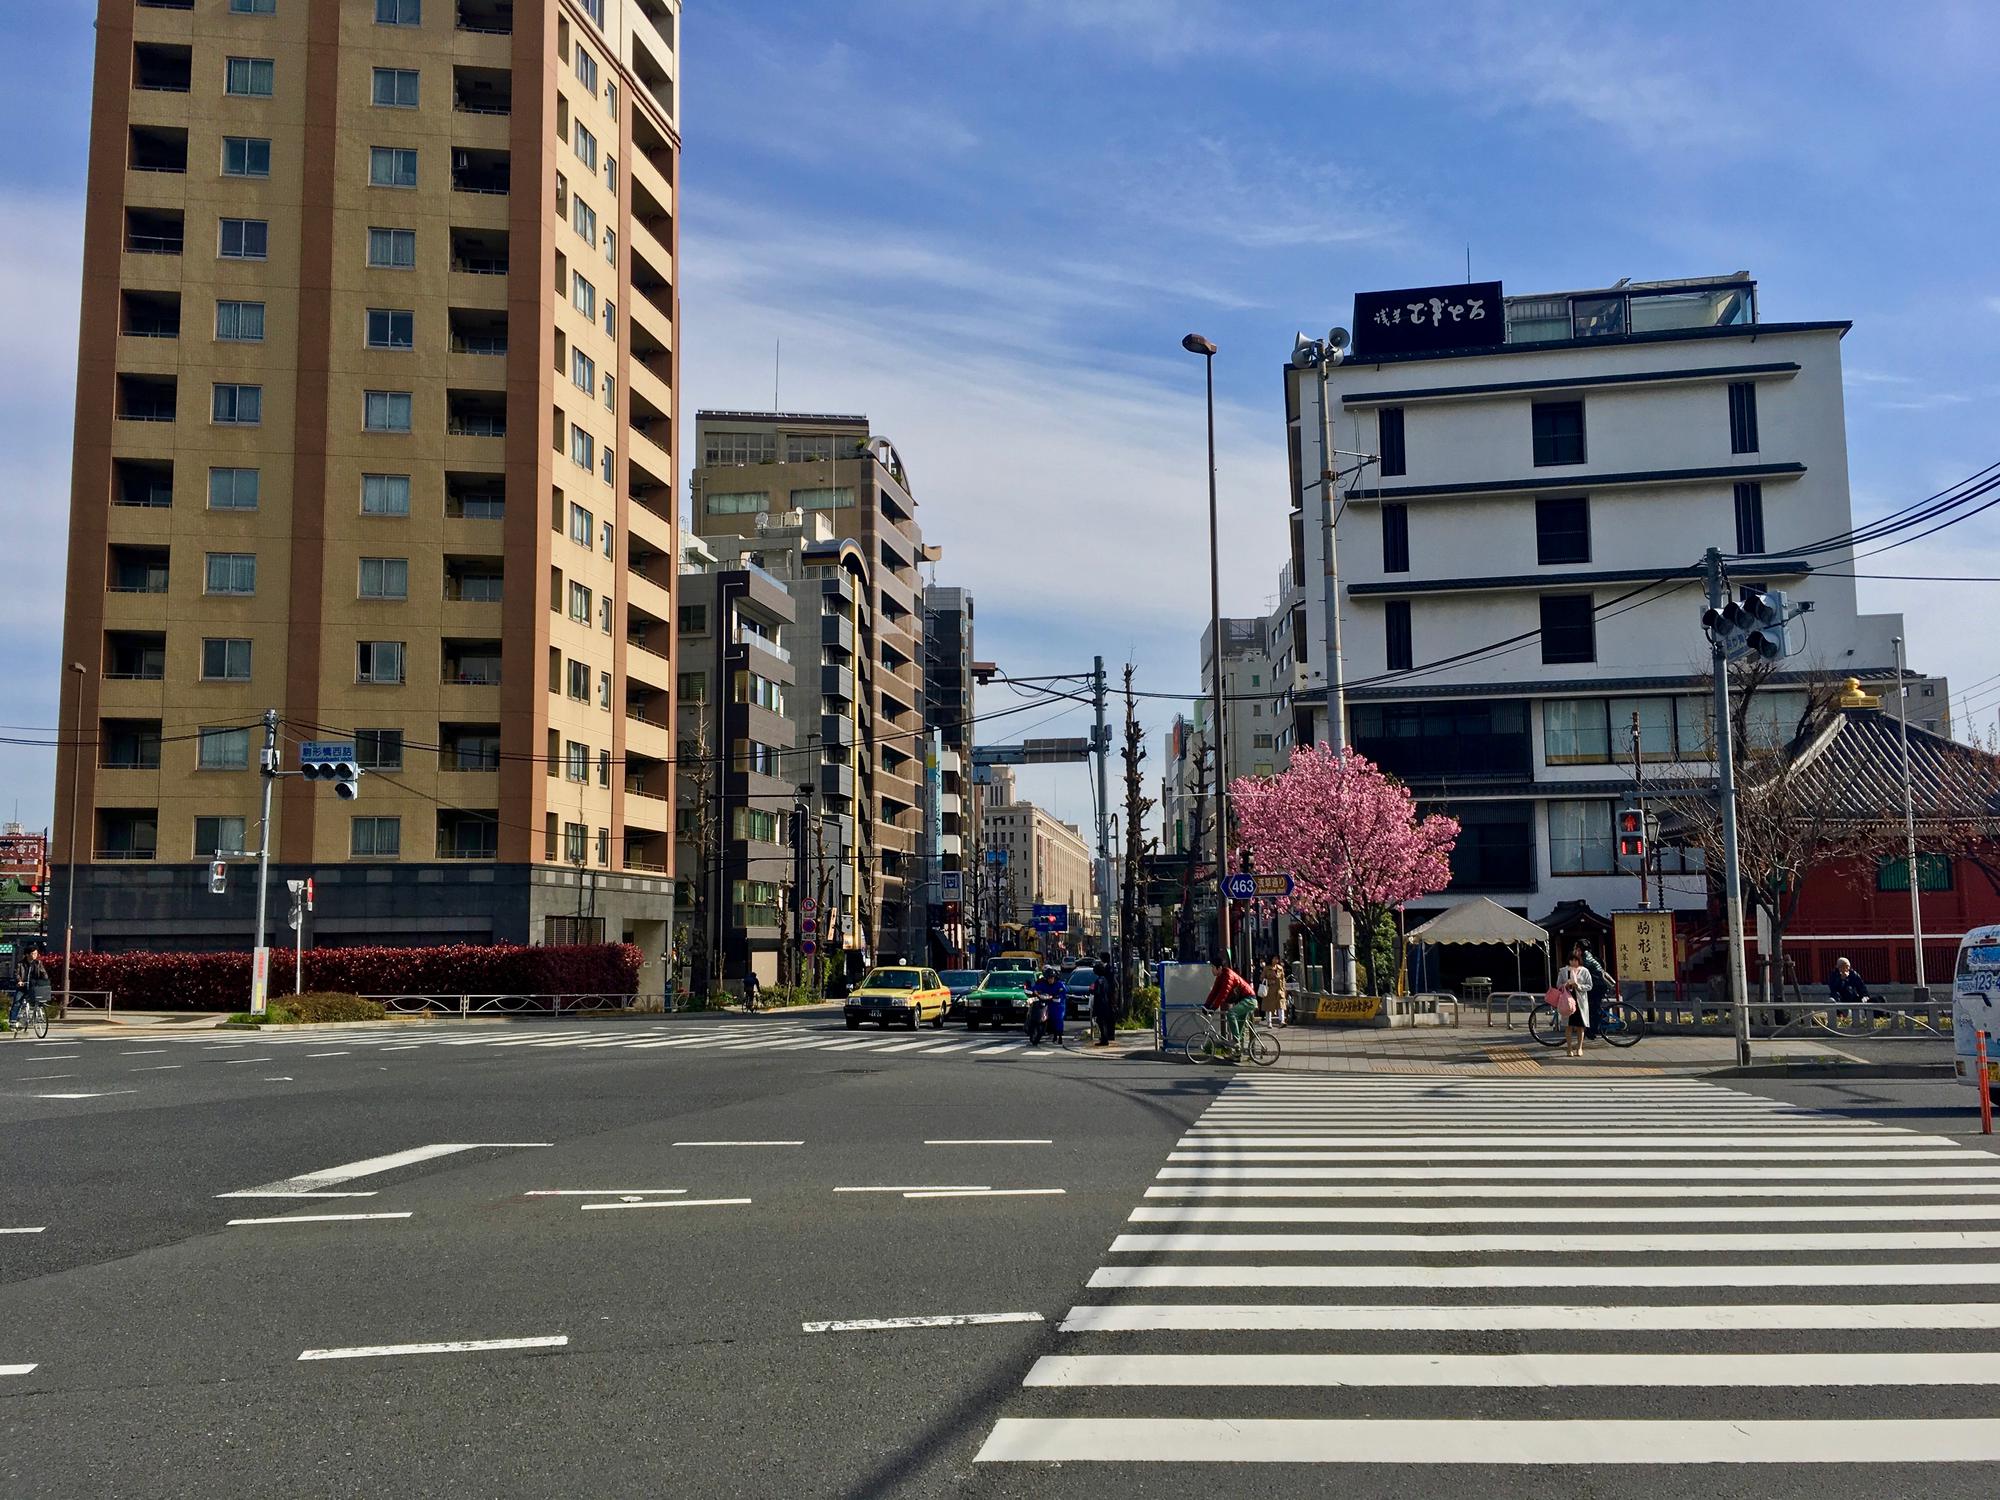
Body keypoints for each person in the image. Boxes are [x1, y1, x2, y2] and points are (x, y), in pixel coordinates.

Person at [1204, 959, 1256, 1051]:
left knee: (1231, 1013)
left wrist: (1214, 1007)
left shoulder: (1228, 976)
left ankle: (1235, 1040)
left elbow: (1223, 994)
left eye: (1213, 968)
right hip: (1243, 1001)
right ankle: (1237, 1054)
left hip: (1249, 999)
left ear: (1219, 968)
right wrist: (1206, 1005)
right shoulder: (1220, 977)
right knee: (1240, 1030)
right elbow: (1214, 992)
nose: (1212, 970)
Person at [1578, 941, 1616, 1041]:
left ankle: (1594, 1030)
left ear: (1580, 948)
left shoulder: (1586, 956)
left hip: (1598, 985)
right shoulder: (1588, 955)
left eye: (1576, 947)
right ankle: (1597, 1020)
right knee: (1592, 1006)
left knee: (1592, 1007)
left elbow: (1582, 971)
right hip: (1598, 984)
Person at [1561, 943, 1593, 1057]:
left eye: (1576, 960)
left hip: (1580, 1002)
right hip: (1568, 1001)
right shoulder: (1564, 971)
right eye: (1571, 960)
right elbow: (1558, 985)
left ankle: (1579, 1047)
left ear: (1579, 961)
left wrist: (1578, 986)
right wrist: (1565, 985)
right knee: (1568, 1026)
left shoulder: (1584, 971)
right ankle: (1569, 1048)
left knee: (1580, 1026)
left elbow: (1589, 986)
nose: (1573, 962)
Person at [11, 943, 48, 1030]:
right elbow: (16, 974)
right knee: (17, 1002)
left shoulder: (38, 963)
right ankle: (12, 1021)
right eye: (33, 953)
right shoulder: (20, 964)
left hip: (34, 986)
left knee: (40, 1000)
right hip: (23, 986)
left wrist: (44, 979)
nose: (35, 955)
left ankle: (38, 1014)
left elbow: (44, 973)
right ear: (27, 954)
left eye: (36, 953)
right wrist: (19, 981)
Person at [1829, 956, 1870, 1024]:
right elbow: (1833, 988)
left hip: (1852, 996)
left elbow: (1861, 987)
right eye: (1842, 967)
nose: (1845, 969)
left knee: (1871, 1000)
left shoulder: (1853, 974)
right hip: (1839, 997)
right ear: (1837, 967)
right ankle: (1839, 1017)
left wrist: (1864, 996)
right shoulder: (1834, 975)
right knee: (1834, 998)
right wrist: (1841, 980)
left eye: (1847, 966)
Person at [1091, 952, 1118, 1046]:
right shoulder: (1102, 978)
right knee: (1106, 1019)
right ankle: (1107, 1037)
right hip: (1106, 1000)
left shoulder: (1103, 978)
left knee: (1103, 1020)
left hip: (1104, 1001)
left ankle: (1105, 1038)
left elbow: (1100, 992)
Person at [1258, 958, 1287, 1028]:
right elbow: (1261, 978)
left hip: (1279, 990)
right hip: (1269, 990)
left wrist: (1283, 989)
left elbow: (1283, 979)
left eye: (1277, 959)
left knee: (1281, 1005)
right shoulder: (1266, 969)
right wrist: (1269, 981)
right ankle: (1269, 1022)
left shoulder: (1280, 968)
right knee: (1269, 1007)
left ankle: (1281, 1021)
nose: (1276, 960)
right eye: (1274, 958)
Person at [1044, 965, 1068, 1047]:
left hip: (1059, 1006)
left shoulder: (1060, 984)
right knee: (1052, 1020)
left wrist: (1057, 996)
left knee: (1059, 1019)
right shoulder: (1046, 985)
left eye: (1051, 978)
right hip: (1051, 1005)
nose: (1050, 980)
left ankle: (1060, 1036)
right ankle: (1054, 1035)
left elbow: (1063, 993)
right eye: (1048, 978)